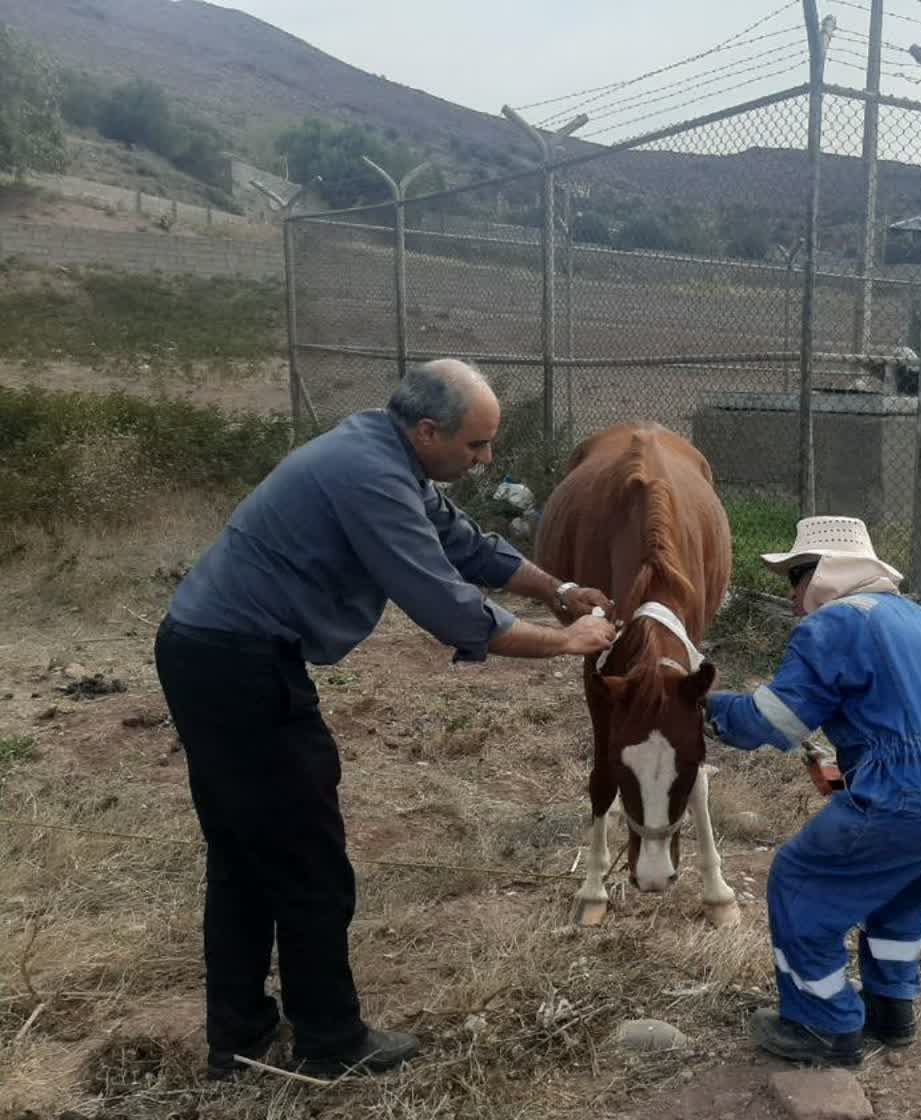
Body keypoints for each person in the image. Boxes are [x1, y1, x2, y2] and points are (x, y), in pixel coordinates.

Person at [155, 359, 616, 1080]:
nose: (487, 459)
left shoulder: (384, 454)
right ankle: (329, 1042)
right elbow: (444, 603)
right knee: (309, 861)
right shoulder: (369, 478)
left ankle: (239, 1036)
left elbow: (465, 546)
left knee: (247, 855)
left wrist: (554, 588)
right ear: (428, 430)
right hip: (236, 665)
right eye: (475, 446)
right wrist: (567, 642)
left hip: (215, 653)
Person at [705, 516, 921, 1067]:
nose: (795, 602)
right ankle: (893, 1010)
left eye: (795, 583)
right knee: (898, 891)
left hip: (917, 797)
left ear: (821, 573)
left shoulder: (837, 623)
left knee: (801, 881)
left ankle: (823, 1024)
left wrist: (711, 708)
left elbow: (774, 721)